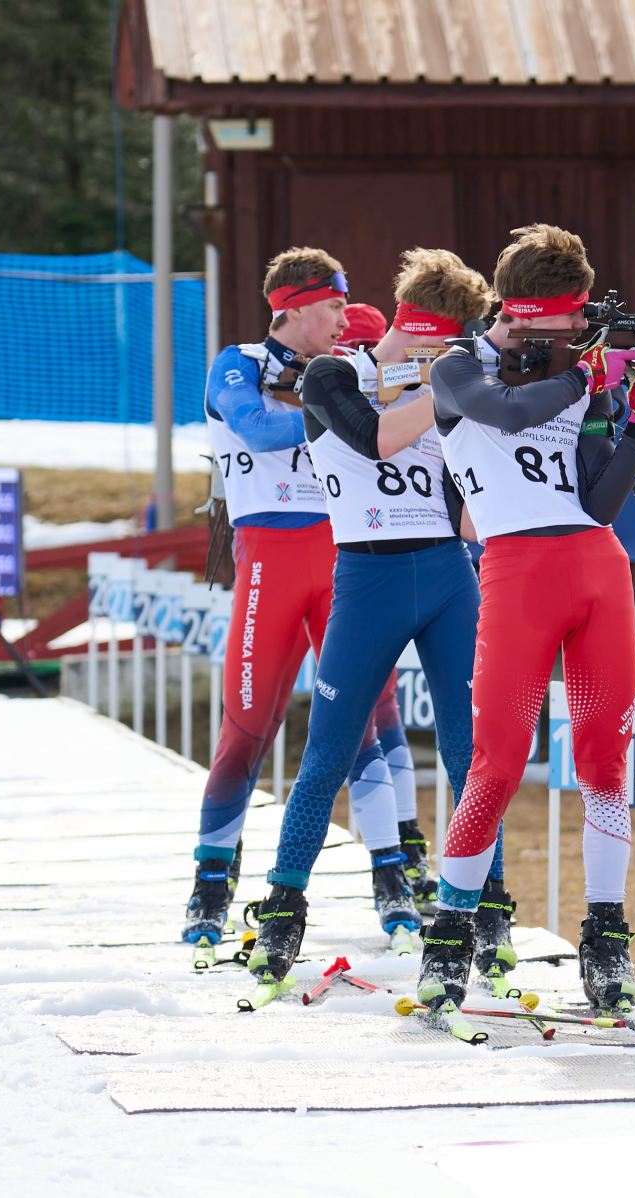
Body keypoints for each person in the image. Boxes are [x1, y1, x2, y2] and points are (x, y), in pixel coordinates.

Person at [415, 224, 635, 1019]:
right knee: (496, 764)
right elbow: (508, 412)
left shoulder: (573, 372)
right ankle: (449, 939)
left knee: (604, 764)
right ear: (525, 314)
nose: (579, 328)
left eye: (583, 318)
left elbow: (600, 500)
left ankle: (607, 940)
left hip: (597, 569)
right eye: (569, 317)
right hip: (518, 573)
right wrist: (589, 371)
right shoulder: (457, 367)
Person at [244, 248, 498, 985]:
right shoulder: (333, 374)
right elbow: (377, 439)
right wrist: (455, 381)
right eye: (449, 340)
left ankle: (487, 913)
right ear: (426, 329)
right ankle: (283, 912)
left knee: (471, 752)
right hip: (366, 578)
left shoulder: (445, 378)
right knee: (326, 756)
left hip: (446, 575)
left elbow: (469, 506)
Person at [182, 250, 417, 962]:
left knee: (361, 727)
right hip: (269, 563)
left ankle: (393, 879)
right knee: (245, 728)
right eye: (335, 307)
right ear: (296, 307)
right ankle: (211, 883)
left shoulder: (349, 367)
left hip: (342, 562)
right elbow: (255, 429)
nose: (345, 320)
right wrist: (336, 407)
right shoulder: (241, 361)